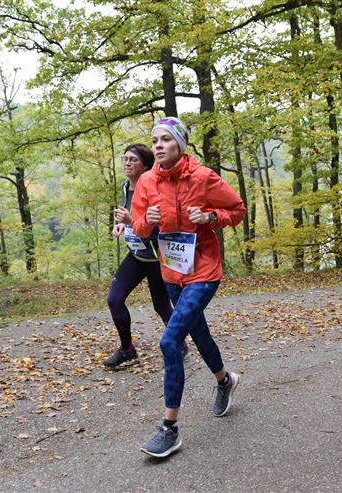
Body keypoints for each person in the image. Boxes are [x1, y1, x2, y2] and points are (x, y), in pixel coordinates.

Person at [131, 117, 246, 458]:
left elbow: (237, 210)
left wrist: (210, 217)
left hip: (204, 270)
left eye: (166, 139)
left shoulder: (203, 177)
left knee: (170, 341)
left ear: (180, 144)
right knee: (199, 333)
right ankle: (225, 381)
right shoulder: (147, 182)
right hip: (171, 272)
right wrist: (146, 221)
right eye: (155, 140)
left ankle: (169, 428)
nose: (158, 145)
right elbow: (138, 226)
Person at [103, 143, 184, 369]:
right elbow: (128, 216)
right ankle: (127, 350)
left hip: (157, 258)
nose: (127, 163)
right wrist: (122, 225)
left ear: (146, 165)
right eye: (125, 159)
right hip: (137, 256)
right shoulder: (125, 187)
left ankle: (178, 342)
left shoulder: (154, 190)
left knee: (162, 306)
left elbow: (161, 228)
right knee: (114, 299)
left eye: (133, 160)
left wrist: (131, 221)